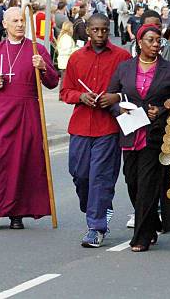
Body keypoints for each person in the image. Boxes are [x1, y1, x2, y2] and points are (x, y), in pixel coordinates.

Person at [0, 7, 60, 230]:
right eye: (14, 20)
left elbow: (53, 82)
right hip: (1, 112)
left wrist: (43, 67)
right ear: (4, 24)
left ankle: (18, 212)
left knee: (23, 161)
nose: (20, 24)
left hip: (28, 111)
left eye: (22, 20)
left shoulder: (37, 50)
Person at [107, 24, 170, 252]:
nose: (156, 44)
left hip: (156, 136)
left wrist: (162, 110)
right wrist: (119, 110)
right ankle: (151, 223)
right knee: (132, 182)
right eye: (151, 40)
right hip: (131, 133)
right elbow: (111, 97)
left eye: (158, 40)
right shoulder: (125, 68)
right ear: (139, 42)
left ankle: (141, 236)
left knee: (147, 185)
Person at [60, 13, 131, 248]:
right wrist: (80, 96)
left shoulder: (122, 56)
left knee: (101, 177)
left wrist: (116, 97)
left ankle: (96, 226)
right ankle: (96, 205)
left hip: (108, 127)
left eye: (104, 30)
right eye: (96, 30)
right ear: (87, 31)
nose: (100, 34)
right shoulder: (76, 58)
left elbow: (131, 90)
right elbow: (65, 91)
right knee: (80, 175)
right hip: (80, 125)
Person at [56, 21, 77, 97]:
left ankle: (62, 95)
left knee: (63, 79)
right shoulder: (67, 38)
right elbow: (67, 50)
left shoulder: (63, 37)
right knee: (64, 80)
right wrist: (75, 49)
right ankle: (62, 95)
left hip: (63, 61)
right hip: (65, 61)